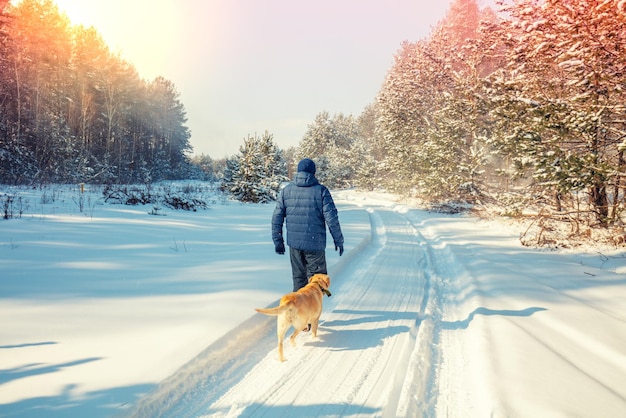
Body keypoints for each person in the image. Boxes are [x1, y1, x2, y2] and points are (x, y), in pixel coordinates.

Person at [272, 158, 344, 291]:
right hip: (315, 245)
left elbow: (277, 217)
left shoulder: (286, 191)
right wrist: (338, 240)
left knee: (299, 280)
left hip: (295, 246)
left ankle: (300, 310)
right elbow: (332, 218)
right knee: (317, 283)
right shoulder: (321, 191)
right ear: (313, 172)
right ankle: (314, 310)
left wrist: (278, 241)